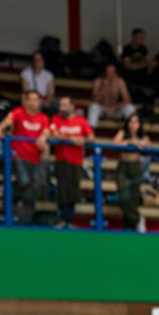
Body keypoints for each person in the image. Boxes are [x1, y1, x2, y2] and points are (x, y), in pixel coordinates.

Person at [0, 91, 50, 224]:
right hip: (18, 155)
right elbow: (8, 120)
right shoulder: (19, 112)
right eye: (30, 99)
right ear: (26, 101)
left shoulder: (43, 117)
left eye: (36, 100)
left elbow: (46, 130)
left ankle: (22, 214)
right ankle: (12, 206)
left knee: (32, 187)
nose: (33, 102)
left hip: (35, 158)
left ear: (39, 102)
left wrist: (43, 136)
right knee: (25, 181)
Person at [50, 96, 94, 228]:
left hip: (76, 161)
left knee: (73, 190)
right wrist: (71, 139)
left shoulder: (81, 121)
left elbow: (91, 137)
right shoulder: (56, 119)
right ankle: (61, 218)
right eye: (61, 105)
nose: (62, 107)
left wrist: (82, 140)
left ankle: (69, 220)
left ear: (72, 106)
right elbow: (54, 134)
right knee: (62, 190)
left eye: (64, 105)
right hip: (61, 160)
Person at [112, 114, 150, 231]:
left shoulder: (142, 135)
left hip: (136, 167)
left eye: (136, 122)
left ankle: (130, 227)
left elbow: (148, 145)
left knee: (133, 198)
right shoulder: (122, 132)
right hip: (123, 167)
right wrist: (130, 142)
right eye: (131, 122)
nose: (133, 125)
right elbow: (115, 143)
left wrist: (138, 142)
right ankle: (138, 218)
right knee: (124, 196)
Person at [120, 28, 157, 101]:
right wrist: (144, 65)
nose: (142, 40)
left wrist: (150, 66)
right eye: (139, 38)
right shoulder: (127, 49)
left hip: (141, 74)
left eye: (143, 38)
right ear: (133, 38)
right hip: (131, 75)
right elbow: (128, 66)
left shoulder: (143, 49)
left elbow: (149, 61)